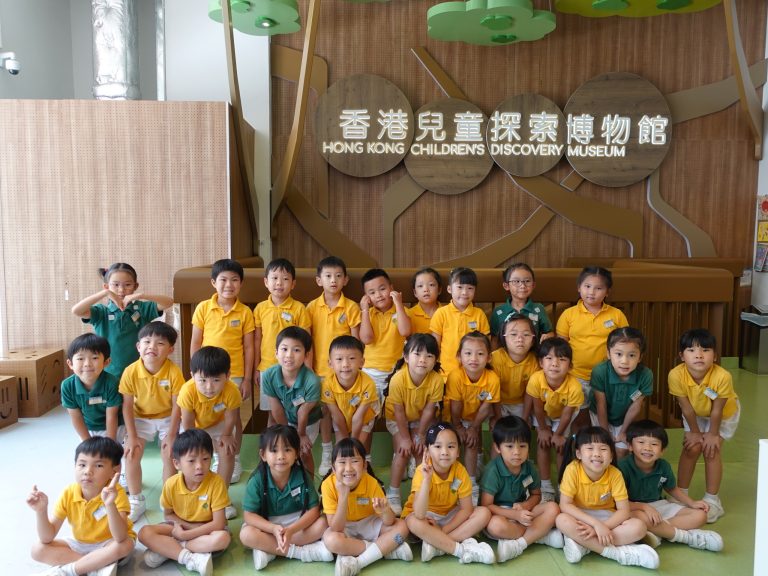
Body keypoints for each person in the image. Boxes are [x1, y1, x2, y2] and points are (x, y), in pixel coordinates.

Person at [27, 437, 135, 576]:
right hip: (81, 544)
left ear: (114, 471)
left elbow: (120, 537)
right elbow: (47, 538)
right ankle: (95, 567)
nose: (87, 471)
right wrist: (41, 511)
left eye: (98, 466)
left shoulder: (115, 492)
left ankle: (69, 570)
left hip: (109, 543)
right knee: (37, 549)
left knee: (125, 545)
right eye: (82, 464)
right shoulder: (69, 492)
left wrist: (109, 505)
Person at [555, 427, 659, 569]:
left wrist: (603, 526)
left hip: (607, 518)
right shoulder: (572, 469)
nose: (597, 454)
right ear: (578, 454)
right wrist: (595, 525)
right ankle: (616, 554)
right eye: (590, 448)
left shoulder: (615, 474)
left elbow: (623, 511)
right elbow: (565, 505)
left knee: (639, 527)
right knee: (561, 520)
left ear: (611, 456)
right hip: (580, 517)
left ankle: (585, 545)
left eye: (603, 449)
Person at [190, 258, 255, 483]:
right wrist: (195, 371)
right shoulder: (203, 308)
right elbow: (196, 341)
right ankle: (207, 456)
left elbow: (249, 347)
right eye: (223, 280)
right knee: (206, 415)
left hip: (233, 373)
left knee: (234, 417)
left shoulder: (245, 312)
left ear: (241, 283)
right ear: (213, 283)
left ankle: (232, 457)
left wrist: (247, 379)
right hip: (206, 373)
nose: (229, 285)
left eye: (234, 280)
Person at [668, 328, 740, 523]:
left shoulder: (722, 376)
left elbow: (717, 410)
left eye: (705, 350)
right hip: (695, 412)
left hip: (723, 414)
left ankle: (713, 500)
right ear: (681, 356)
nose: (699, 355)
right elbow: (686, 408)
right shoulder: (675, 375)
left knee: (710, 450)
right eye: (691, 350)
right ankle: (680, 495)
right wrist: (694, 432)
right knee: (692, 448)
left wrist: (712, 434)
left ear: (715, 356)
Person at [618, 420, 723, 551]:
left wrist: (692, 503)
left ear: (662, 450)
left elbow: (671, 488)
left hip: (659, 505)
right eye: (641, 442)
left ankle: (658, 532)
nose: (647, 448)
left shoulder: (663, 466)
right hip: (634, 508)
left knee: (700, 516)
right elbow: (619, 503)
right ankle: (678, 535)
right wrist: (645, 507)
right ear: (630, 446)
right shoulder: (622, 467)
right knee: (637, 518)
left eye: (654, 444)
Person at [138, 429, 230, 576]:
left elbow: (218, 523)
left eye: (205, 459)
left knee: (222, 538)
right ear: (177, 463)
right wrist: (186, 529)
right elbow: (168, 515)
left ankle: (171, 549)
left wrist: (185, 536)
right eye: (192, 461)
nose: (199, 465)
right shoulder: (171, 484)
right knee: (144, 533)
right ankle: (189, 557)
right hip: (179, 526)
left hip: (207, 529)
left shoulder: (216, 483)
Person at [240, 425, 332, 570]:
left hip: (296, 524)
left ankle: (270, 551)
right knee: (246, 535)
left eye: (287, 449)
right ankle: (301, 552)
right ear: (263, 455)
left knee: (324, 522)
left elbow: (314, 510)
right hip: (268, 525)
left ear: (296, 453)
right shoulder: (256, 481)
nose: (281, 456)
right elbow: (249, 515)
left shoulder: (302, 475)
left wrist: (291, 530)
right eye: (274, 450)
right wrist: (273, 529)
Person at [403, 422, 494, 565]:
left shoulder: (460, 471)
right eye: (438, 446)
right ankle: (460, 550)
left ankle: (438, 545)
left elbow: (466, 509)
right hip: (425, 518)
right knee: (412, 522)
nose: (445, 452)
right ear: (427, 451)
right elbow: (419, 514)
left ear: (458, 452)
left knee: (484, 513)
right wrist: (427, 479)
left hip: (449, 517)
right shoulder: (422, 471)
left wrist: (443, 529)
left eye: (451, 446)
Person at [119, 321, 184, 522]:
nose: (152, 347)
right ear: (138, 347)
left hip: (167, 418)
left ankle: (169, 499)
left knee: (170, 454)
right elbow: (127, 406)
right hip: (140, 418)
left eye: (160, 343)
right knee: (131, 453)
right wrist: (131, 436)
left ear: (170, 350)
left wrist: (171, 435)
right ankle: (136, 500)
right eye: (147, 342)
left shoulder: (174, 372)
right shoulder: (130, 371)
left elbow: (178, 406)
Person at [321, 438, 412, 576]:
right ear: (333, 468)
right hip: (345, 527)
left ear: (364, 466)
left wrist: (385, 511)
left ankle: (359, 561)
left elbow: (390, 521)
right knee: (331, 540)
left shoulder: (372, 483)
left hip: (369, 523)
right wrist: (343, 496)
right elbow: (336, 528)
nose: (348, 468)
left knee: (402, 527)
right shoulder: (328, 485)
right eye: (342, 462)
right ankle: (385, 550)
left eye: (355, 461)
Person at [306, 256, 362, 475]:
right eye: (328, 276)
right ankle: (327, 449)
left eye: (338, 276)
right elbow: (308, 341)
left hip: (345, 372)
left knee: (343, 411)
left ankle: (348, 451)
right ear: (318, 280)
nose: (333, 280)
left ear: (345, 280)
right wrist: (309, 368)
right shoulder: (312, 307)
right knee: (325, 412)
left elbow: (356, 342)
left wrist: (356, 367)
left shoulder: (351, 307)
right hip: (320, 369)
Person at [481, 415, 562, 561]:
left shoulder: (529, 468)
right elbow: (486, 506)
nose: (517, 452)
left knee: (553, 507)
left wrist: (525, 505)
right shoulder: (493, 471)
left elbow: (536, 495)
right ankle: (539, 536)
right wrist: (515, 515)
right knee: (495, 526)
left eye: (522, 446)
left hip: (522, 512)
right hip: (500, 514)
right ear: (497, 447)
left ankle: (521, 543)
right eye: (509, 446)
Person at [556, 266, 628, 430]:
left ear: (607, 292)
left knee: (602, 415)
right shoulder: (568, 314)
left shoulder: (616, 315)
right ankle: (578, 445)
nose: (591, 292)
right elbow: (561, 347)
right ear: (579, 288)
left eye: (598, 288)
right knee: (578, 417)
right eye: (587, 286)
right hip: (576, 375)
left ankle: (601, 444)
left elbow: (625, 344)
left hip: (607, 376)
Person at [72, 262, 172, 378]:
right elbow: (76, 311)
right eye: (115, 285)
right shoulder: (101, 312)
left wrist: (141, 295)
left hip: (138, 373)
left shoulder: (142, 309)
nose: (121, 290)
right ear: (106, 286)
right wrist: (104, 293)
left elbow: (168, 302)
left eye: (128, 285)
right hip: (108, 374)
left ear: (135, 286)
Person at [177, 346, 241, 519]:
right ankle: (192, 496)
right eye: (203, 380)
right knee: (192, 457)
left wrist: (226, 435)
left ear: (227, 376)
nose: (209, 387)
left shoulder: (232, 390)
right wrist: (202, 445)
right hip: (195, 427)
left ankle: (222, 497)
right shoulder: (187, 391)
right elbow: (188, 424)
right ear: (192, 376)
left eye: (216, 380)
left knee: (227, 452)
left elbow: (231, 417)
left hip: (220, 425)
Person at [383, 333, 444, 515]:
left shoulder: (436, 380)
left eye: (429, 356)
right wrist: (405, 438)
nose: (423, 360)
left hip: (420, 419)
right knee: (402, 452)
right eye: (417, 354)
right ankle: (393, 493)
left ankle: (417, 494)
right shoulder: (398, 379)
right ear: (406, 356)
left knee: (420, 450)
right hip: (397, 418)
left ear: (435, 360)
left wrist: (421, 435)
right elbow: (399, 412)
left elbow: (429, 410)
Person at [253, 258, 312, 422]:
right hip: (267, 368)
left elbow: (307, 342)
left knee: (295, 409)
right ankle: (273, 439)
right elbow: (257, 340)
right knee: (272, 413)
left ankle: (293, 437)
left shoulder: (299, 308)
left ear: (293, 284)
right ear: (266, 282)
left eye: (285, 279)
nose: (279, 283)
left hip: (294, 368)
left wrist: (307, 370)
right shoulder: (260, 308)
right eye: (274, 278)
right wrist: (256, 368)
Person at [444, 331, 500, 504]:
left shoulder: (492, 378)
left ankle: (472, 483)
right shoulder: (455, 376)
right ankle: (453, 480)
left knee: (472, 441)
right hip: (453, 417)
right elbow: (455, 406)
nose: (473, 358)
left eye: (480, 354)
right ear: (459, 356)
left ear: (489, 358)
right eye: (468, 353)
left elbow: (486, 407)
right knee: (455, 442)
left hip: (475, 417)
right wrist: (458, 426)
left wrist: (474, 428)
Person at [526, 337, 583, 502]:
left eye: (562, 359)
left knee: (561, 447)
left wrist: (558, 434)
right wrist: (543, 429)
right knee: (543, 443)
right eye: (549, 358)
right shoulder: (536, 379)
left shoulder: (575, 386)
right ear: (541, 363)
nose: (555, 364)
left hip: (562, 417)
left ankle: (562, 485)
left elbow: (567, 414)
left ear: (570, 366)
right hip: (543, 414)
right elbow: (537, 407)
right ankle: (546, 487)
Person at [261, 327, 322, 473]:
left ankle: (308, 484)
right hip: (287, 417)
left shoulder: (312, 381)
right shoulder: (268, 375)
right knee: (284, 451)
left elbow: (303, 412)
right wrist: (286, 433)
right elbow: (276, 408)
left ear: (306, 355)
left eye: (296, 350)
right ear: (276, 352)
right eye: (284, 349)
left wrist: (301, 435)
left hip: (308, 423)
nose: (289, 355)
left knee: (303, 453)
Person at [589, 327, 653, 459]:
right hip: (599, 415)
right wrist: (605, 432)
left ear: (640, 357)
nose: (624, 361)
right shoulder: (599, 371)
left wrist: (623, 431)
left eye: (631, 355)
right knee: (603, 448)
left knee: (621, 451)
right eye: (618, 354)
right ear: (608, 353)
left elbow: (636, 406)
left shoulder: (646, 375)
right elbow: (601, 405)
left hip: (625, 417)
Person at [359, 268, 412, 401]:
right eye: (372, 292)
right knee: (370, 408)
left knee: (392, 408)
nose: (378, 295)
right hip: (370, 370)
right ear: (367, 297)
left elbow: (405, 331)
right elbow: (367, 339)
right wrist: (365, 310)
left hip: (396, 370)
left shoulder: (402, 311)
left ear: (391, 288)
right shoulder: (368, 314)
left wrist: (398, 303)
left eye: (382, 289)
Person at [61, 334, 123, 443]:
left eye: (94, 358)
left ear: (106, 362)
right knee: (89, 452)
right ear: (70, 364)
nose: (87, 364)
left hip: (116, 426)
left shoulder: (112, 383)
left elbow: (112, 416)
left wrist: (110, 442)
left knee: (113, 451)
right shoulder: (67, 386)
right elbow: (76, 417)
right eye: (80, 358)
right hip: (89, 427)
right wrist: (87, 442)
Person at [430, 267, 490, 377]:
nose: (464, 292)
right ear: (449, 289)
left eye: (470, 288)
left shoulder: (479, 314)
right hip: (446, 373)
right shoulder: (441, 313)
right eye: (459, 287)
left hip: (473, 373)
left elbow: (486, 345)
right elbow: (435, 345)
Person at [321, 336, 379, 447]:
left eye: (352, 358)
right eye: (339, 359)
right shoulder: (327, 384)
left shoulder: (368, 384)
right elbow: (336, 415)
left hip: (364, 419)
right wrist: (345, 439)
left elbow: (359, 417)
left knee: (357, 448)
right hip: (341, 417)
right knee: (341, 448)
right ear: (330, 363)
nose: (345, 364)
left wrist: (353, 441)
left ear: (362, 362)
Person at [490, 313, 538, 424]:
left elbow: (530, 393)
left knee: (522, 427)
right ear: (504, 337)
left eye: (526, 334)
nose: (520, 339)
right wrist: (498, 416)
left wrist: (525, 418)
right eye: (513, 334)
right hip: (497, 402)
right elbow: (493, 391)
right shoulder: (494, 359)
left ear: (533, 339)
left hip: (521, 403)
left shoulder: (535, 362)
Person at [490, 263, 553, 348]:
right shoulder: (499, 311)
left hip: (533, 353)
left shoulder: (538, 309)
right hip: (506, 354)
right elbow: (494, 339)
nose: (523, 286)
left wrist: (548, 336)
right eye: (516, 281)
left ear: (533, 285)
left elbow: (549, 332)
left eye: (527, 281)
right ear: (506, 286)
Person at [408, 267, 443, 335]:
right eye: (420, 286)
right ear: (415, 292)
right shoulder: (409, 314)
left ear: (439, 290)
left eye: (431, 285)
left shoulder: (447, 313)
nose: (426, 289)